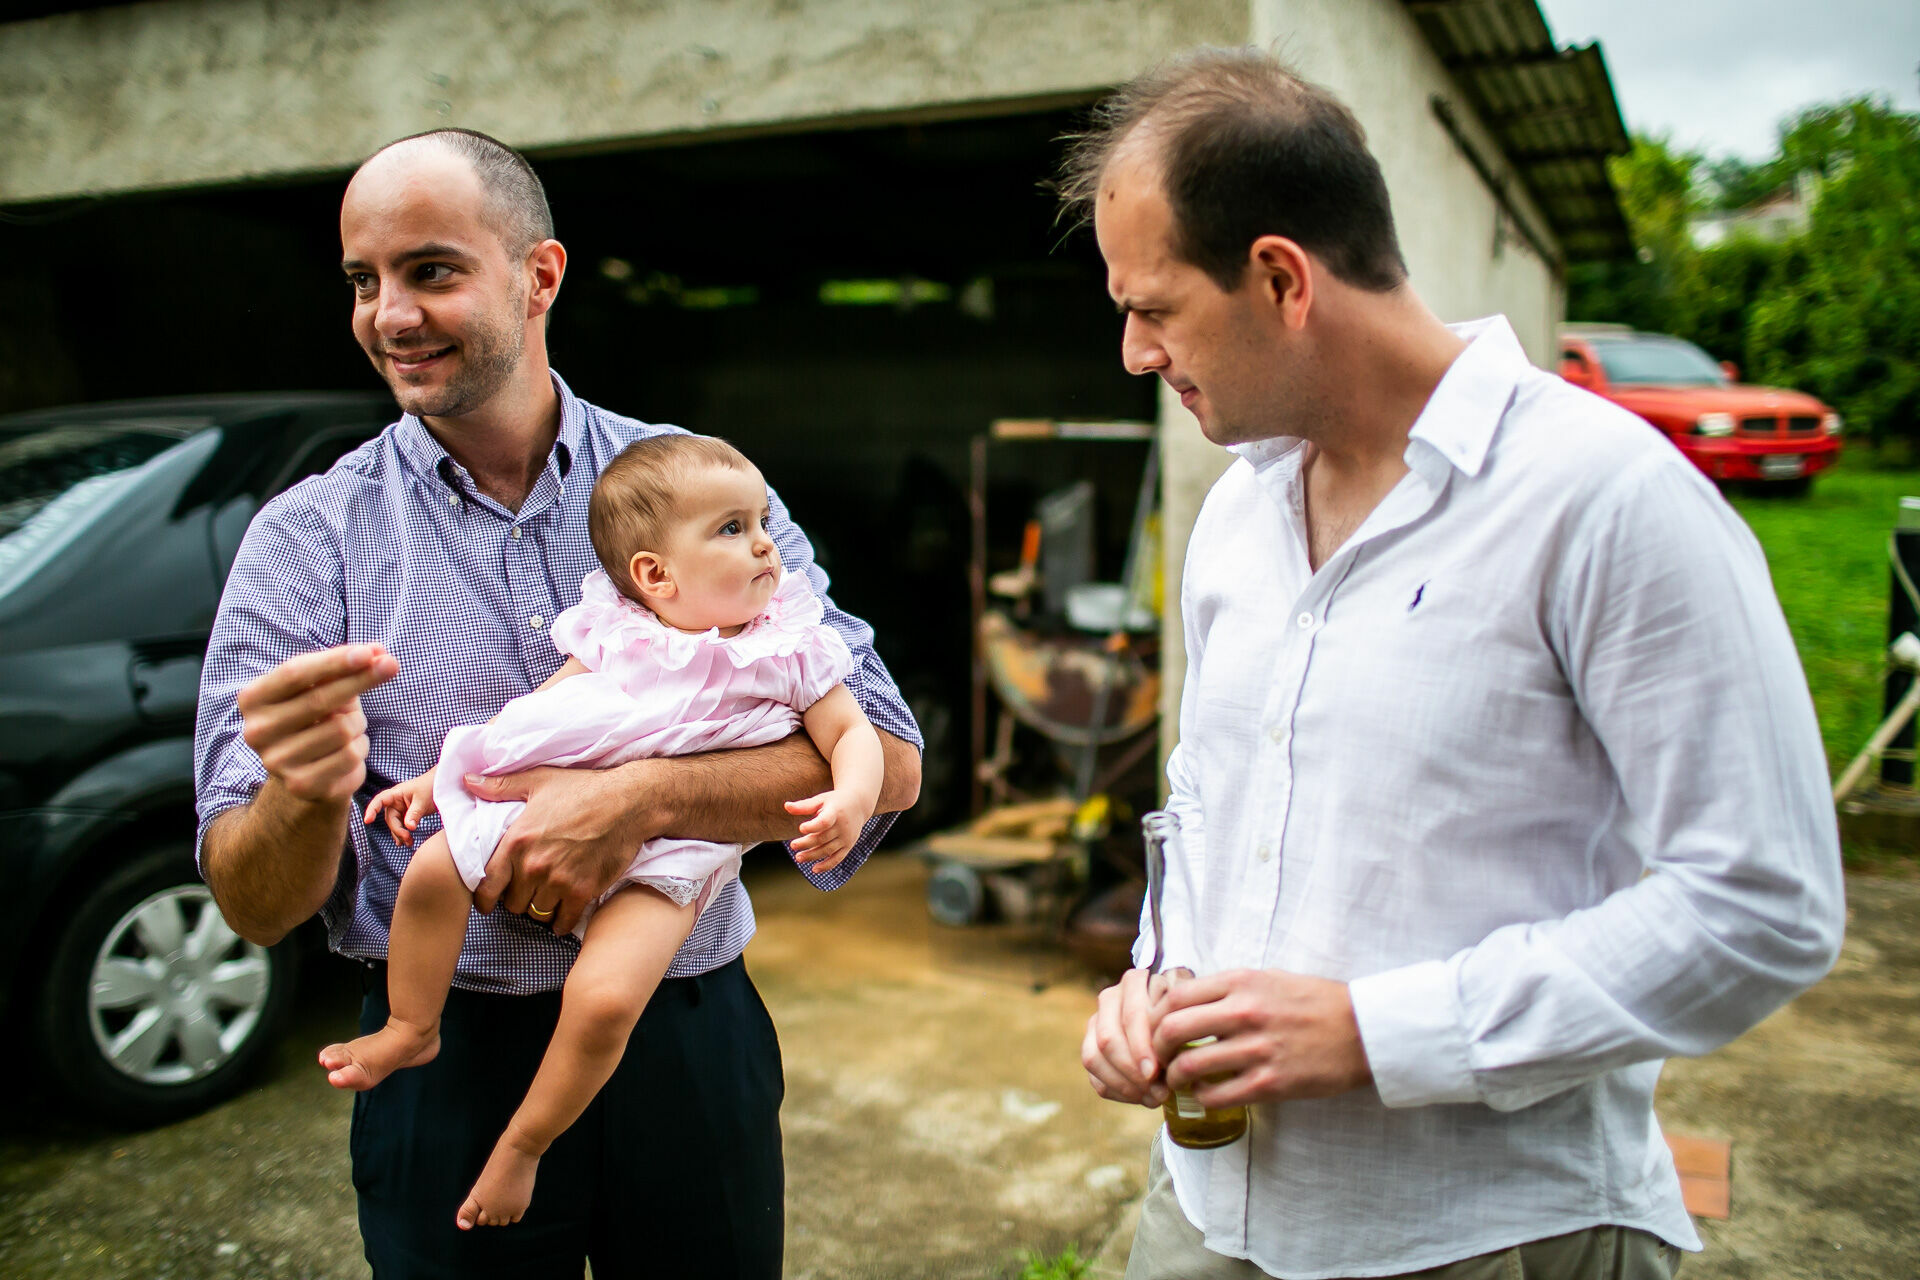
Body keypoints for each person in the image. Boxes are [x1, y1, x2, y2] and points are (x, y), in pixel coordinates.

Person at [1061, 48, 1844, 1280]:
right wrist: (1154, 979)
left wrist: (1381, 1032)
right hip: (1207, 1210)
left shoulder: (1608, 500)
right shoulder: (1235, 516)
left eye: (1153, 308)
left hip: (1486, 1227)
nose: (1134, 353)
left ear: (1280, 278)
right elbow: (1206, 809)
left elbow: (1762, 904)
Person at [193, 127, 921, 1280]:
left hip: (683, 1025)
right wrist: (306, 786)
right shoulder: (305, 538)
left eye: (430, 270)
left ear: (541, 275)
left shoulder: (703, 484)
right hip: (445, 1055)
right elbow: (250, 899)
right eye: (362, 281)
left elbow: (885, 749)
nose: (389, 313)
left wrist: (637, 799)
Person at [318, 432, 884, 1232]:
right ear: (654, 574)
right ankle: (412, 1027)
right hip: (546, 801)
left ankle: (523, 1145)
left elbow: (856, 738)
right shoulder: (619, 626)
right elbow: (536, 714)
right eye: (733, 529)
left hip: (671, 860)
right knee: (434, 874)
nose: (765, 541)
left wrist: (851, 801)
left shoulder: (789, 645)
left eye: (759, 520)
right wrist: (449, 778)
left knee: (607, 998)